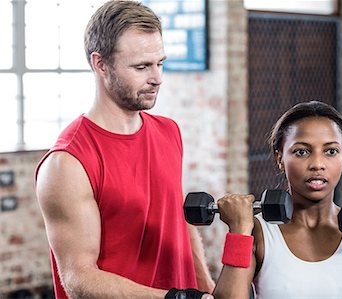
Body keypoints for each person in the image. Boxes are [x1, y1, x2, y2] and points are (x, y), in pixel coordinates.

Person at [34, 1, 215, 298]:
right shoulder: (68, 162)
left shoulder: (169, 131)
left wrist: (206, 287)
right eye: (142, 66)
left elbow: (177, 221)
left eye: (160, 63)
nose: (157, 78)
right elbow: (79, 278)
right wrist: (173, 298)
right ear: (100, 64)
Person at [212, 100, 342, 298]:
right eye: (302, 152)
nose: (317, 164)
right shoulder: (258, 233)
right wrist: (239, 231)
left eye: (331, 151)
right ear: (279, 158)